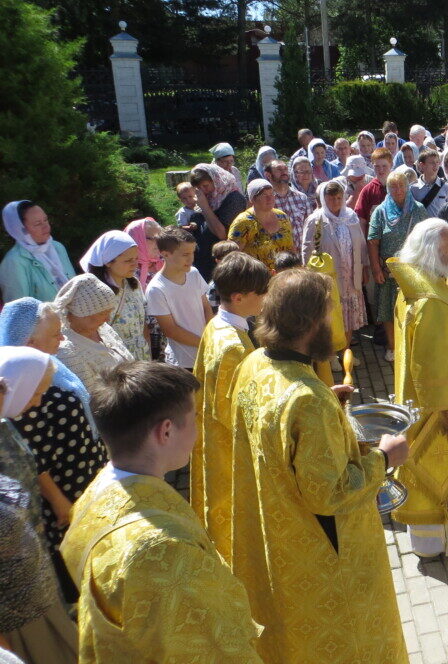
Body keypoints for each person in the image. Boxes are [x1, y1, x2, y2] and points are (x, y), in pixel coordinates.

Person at [228, 269, 408, 663]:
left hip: (279, 539)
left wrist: (326, 398)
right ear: (312, 322)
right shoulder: (307, 401)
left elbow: (276, 429)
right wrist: (384, 458)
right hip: (325, 553)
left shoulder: (255, 363)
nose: (334, 322)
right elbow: (330, 492)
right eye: (330, 313)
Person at [60, 361, 262, 662]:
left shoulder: (93, 494)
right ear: (165, 431)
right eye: (192, 417)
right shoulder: (163, 550)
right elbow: (210, 647)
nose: (197, 429)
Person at [388, 219, 448, 557]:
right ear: (432, 250)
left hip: (416, 400)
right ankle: (446, 537)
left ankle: (428, 539)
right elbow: (431, 360)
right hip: (438, 406)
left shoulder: (416, 285)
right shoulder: (429, 299)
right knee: (441, 466)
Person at [1, 300, 106, 602]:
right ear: (29, 342)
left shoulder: (46, 367)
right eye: (55, 335)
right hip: (61, 493)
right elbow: (33, 457)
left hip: (79, 477)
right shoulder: (20, 383)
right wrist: (60, 501)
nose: (62, 340)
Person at [0, 346, 78, 664]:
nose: (37, 402)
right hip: (13, 600)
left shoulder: (5, 423)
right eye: (35, 393)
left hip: (30, 567)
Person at [191, 252, 269, 563]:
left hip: (209, 433)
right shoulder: (234, 348)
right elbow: (236, 414)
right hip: (228, 448)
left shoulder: (217, 325)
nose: (265, 297)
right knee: (233, 517)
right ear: (238, 297)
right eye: (260, 292)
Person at [368, 170, 428, 361]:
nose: (398, 189)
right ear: (388, 189)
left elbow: (427, 239)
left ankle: (412, 346)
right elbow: (372, 242)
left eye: (401, 185)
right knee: (387, 310)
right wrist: (376, 269)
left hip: (413, 271)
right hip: (388, 271)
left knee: (414, 310)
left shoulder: (418, 209)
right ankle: (393, 347)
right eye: (393, 186)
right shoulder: (381, 211)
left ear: (407, 186)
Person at [302, 180, 369, 335]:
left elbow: (361, 244)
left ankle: (346, 350)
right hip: (328, 276)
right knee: (331, 314)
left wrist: (365, 267)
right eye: (331, 198)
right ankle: (331, 355)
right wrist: (309, 274)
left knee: (349, 316)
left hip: (351, 274)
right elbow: (307, 248)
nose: (336, 202)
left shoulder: (351, 216)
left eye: (339, 198)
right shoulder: (316, 220)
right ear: (324, 199)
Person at [53, 274, 135, 394]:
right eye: (102, 313)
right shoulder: (66, 349)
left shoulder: (104, 329)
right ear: (81, 313)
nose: (107, 319)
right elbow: (92, 396)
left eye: (109, 312)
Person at [146, 227, 213, 370]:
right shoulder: (156, 289)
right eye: (185, 254)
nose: (191, 259)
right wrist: (205, 342)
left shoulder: (193, 273)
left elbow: (206, 307)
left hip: (207, 353)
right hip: (183, 362)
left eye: (193, 252)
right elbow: (170, 330)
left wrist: (211, 334)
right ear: (165, 254)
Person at [81, 230, 150, 362]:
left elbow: (143, 325)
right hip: (114, 360)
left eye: (136, 258)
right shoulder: (95, 292)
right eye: (128, 260)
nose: (135, 264)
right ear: (108, 261)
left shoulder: (134, 284)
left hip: (141, 357)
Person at [0, 201, 76, 303]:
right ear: (20, 230)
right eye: (37, 224)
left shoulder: (58, 247)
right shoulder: (14, 262)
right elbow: (19, 312)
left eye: (45, 220)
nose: (46, 226)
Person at [189, 163, 248, 279]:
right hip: (203, 260)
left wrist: (205, 207)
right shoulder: (211, 198)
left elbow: (222, 234)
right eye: (199, 188)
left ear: (216, 180)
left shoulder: (234, 199)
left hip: (221, 264)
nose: (203, 191)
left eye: (205, 186)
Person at [229, 179, 295, 271]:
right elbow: (232, 256)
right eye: (264, 195)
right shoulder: (242, 222)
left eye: (272, 194)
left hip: (283, 277)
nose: (270, 198)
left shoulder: (282, 216)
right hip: (256, 278)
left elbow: (291, 248)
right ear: (253, 199)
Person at [265, 159, 311, 240]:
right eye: (279, 169)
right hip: (278, 251)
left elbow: (310, 227)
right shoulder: (266, 200)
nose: (284, 172)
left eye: (285, 169)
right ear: (268, 175)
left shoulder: (302, 198)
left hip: (301, 250)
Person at [355, 148, 393, 233]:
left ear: (391, 164)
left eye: (384, 166)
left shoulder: (398, 186)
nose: (381, 170)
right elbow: (361, 219)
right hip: (374, 238)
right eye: (377, 166)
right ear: (372, 166)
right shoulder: (367, 190)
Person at [125, 217, 164, 291]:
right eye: (154, 238)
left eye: (161, 238)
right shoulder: (125, 270)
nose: (159, 243)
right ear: (136, 239)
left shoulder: (165, 260)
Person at [410, 149, 448, 217]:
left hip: (440, 226)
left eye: (437, 162)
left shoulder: (446, 187)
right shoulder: (413, 188)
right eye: (432, 162)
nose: (436, 165)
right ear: (422, 165)